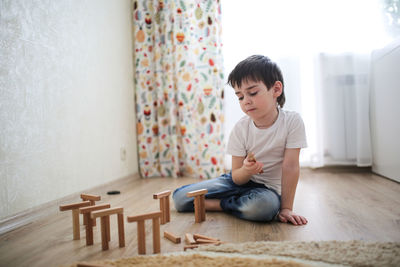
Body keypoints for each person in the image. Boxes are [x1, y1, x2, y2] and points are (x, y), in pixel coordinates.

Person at [173, 55, 308, 225]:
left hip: (266, 191)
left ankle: (220, 204)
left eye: (252, 93)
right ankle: (234, 202)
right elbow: (236, 177)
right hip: (236, 181)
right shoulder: (240, 129)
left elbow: (290, 166)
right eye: (240, 97)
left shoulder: (292, 122)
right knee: (179, 199)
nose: (246, 101)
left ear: (276, 90)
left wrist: (286, 208)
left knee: (263, 208)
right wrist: (246, 170)